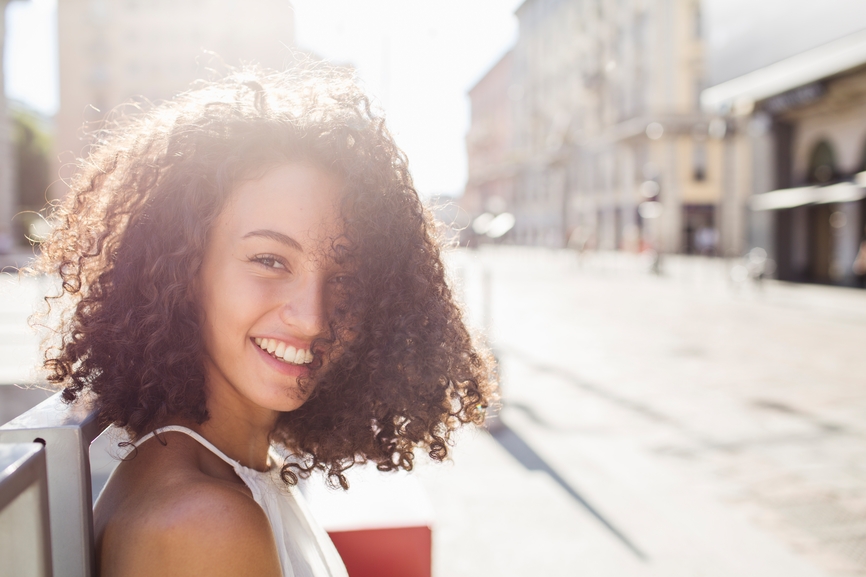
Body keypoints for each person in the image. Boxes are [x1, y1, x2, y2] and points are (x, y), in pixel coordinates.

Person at [32, 63, 498, 577]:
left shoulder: (229, 470)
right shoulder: (206, 524)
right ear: (182, 266)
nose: (313, 317)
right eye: (270, 261)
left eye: (346, 276)